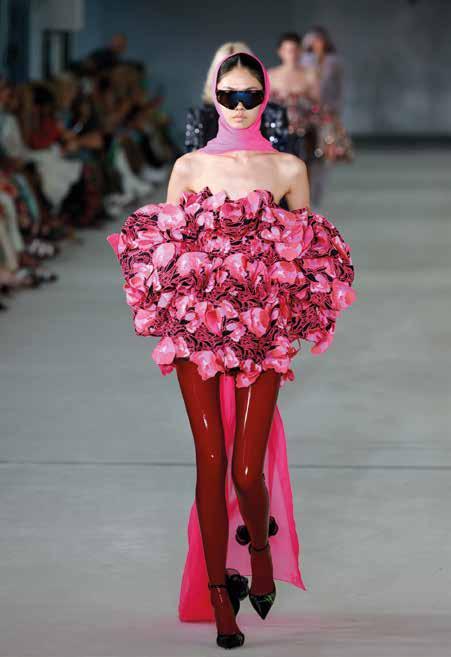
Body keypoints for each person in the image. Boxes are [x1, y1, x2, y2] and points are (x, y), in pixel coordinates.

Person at [107, 51, 357, 649]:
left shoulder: (288, 168)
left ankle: (261, 553)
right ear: (214, 98)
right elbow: (162, 252)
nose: (240, 107)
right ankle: (221, 594)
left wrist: (292, 314)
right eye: (230, 96)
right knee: (211, 462)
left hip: (262, 337)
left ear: (264, 98)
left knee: (247, 472)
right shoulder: (189, 166)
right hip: (197, 332)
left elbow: (311, 258)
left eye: (250, 96)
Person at [185, 42, 289, 154]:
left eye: (241, 62)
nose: (239, 106)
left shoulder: (274, 114)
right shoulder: (199, 116)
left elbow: (281, 150)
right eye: (226, 66)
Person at [301, 26, 354, 206]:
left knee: (325, 155)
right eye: (311, 40)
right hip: (307, 114)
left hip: (327, 115)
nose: (315, 43)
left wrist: (335, 110)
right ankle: (306, 193)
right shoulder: (304, 60)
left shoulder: (334, 62)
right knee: (306, 154)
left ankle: (317, 194)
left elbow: (340, 88)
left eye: (318, 40)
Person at [268, 32, 322, 202]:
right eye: (288, 50)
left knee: (304, 168)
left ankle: (302, 204)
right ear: (280, 52)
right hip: (278, 132)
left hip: (303, 132)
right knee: (277, 169)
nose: (291, 54)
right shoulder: (271, 75)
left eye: (295, 50)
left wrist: (299, 100)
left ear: (300, 52)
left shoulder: (309, 75)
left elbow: (318, 105)